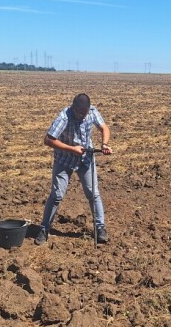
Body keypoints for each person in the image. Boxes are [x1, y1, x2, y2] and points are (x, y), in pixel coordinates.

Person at [36, 93, 113, 245]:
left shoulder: (92, 112)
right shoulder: (64, 117)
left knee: (93, 194)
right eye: (80, 113)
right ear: (73, 108)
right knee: (57, 195)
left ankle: (100, 228)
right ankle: (44, 229)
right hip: (64, 160)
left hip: (85, 159)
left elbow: (104, 128)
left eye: (85, 113)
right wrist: (72, 149)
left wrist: (104, 144)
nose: (83, 116)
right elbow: (48, 139)